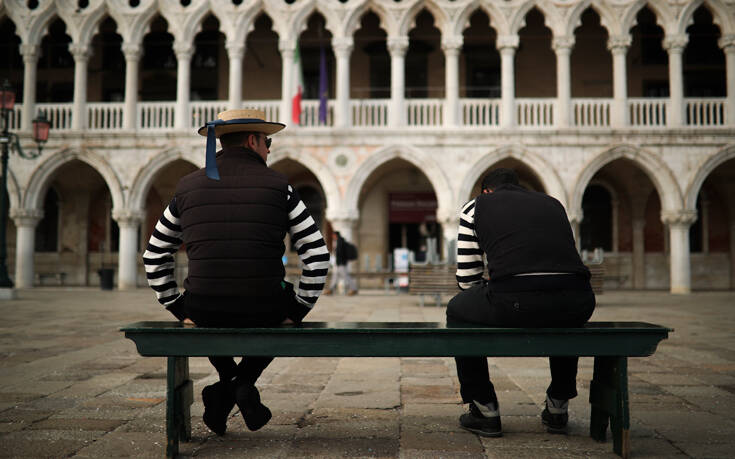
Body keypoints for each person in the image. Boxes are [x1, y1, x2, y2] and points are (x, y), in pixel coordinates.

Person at [142, 109, 329, 436]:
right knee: (278, 304)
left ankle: (227, 386)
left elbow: (154, 253)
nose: (270, 149)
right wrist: (298, 309)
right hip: (265, 307)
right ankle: (241, 383)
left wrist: (178, 307)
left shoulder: (187, 187)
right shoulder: (280, 186)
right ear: (253, 140)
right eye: (268, 141)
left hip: (203, 307)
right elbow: (317, 253)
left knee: (208, 297)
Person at [449, 168, 595, 437]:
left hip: (515, 300)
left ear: (486, 191)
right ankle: (558, 404)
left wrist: (495, 292)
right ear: (520, 188)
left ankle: (483, 407)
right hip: (579, 300)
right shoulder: (553, 205)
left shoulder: (475, 207)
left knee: (457, 310)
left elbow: (467, 281)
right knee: (562, 310)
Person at [324, 231, 358, 296]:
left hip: (341, 263)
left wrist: (338, 261)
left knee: (346, 276)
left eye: (333, 235)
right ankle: (331, 289)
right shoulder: (338, 242)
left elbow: (340, 254)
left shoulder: (340, 242)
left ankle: (353, 289)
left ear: (335, 235)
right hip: (338, 263)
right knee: (335, 276)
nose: (332, 237)